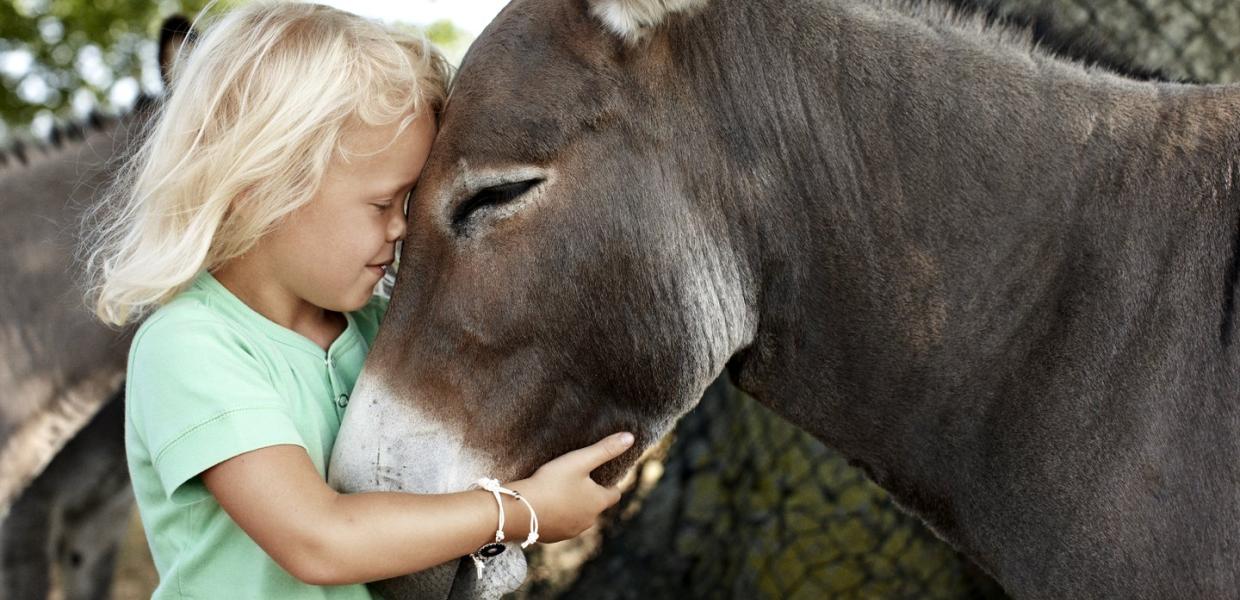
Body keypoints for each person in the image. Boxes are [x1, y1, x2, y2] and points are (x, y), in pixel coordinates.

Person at [79, 3, 633, 598]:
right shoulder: (192, 346)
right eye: (382, 205)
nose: (403, 229)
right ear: (262, 187)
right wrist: (520, 511)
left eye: (408, 204)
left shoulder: (375, 324)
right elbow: (317, 540)